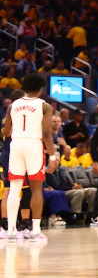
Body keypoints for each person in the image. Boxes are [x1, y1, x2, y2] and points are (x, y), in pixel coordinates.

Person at [2, 75, 58, 241]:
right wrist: (53, 155)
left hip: (16, 144)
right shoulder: (45, 106)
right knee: (35, 188)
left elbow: (5, 132)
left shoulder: (13, 105)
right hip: (34, 145)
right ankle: (35, 230)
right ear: (40, 89)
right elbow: (47, 134)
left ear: (24, 87)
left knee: (14, 188)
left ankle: (11, 230)